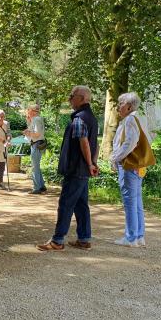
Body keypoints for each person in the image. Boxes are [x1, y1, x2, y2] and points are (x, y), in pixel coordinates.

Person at [37, 86, 99, 251]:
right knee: (81, 204)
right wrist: (93, 162)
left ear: (81, 98)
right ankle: (84, 239)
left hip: (76, 169)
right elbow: (96, 143)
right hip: (83, 168)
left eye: (72, 96)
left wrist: (90, 163)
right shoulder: (91, 117)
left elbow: (84, 142)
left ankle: (57, 241)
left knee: (66, 204)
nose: (69, 99)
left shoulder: (79, 118)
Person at [110, 92, 155, 247]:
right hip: (139, 165)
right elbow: (147, 139)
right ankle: (139, 236)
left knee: (130, 202)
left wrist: (115, 158)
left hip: (129, 165)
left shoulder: (130, 119)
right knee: (137, 202)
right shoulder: (139, 118)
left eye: (120, 103)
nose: (118, 107)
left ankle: (130, 238)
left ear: (128, 106)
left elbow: (130, 143)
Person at [23, 104, 46, 194]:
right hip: (36, 144)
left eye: (28, 110)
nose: (27, 111)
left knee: (34, 167)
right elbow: (33, 130)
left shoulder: (36, 119)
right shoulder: (35, 119)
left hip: (36, 144)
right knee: (36, 166)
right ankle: (42, 186)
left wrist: (27, 133)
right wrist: (28, 120)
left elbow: (37, 134)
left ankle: (37, 188)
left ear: (32, 111)